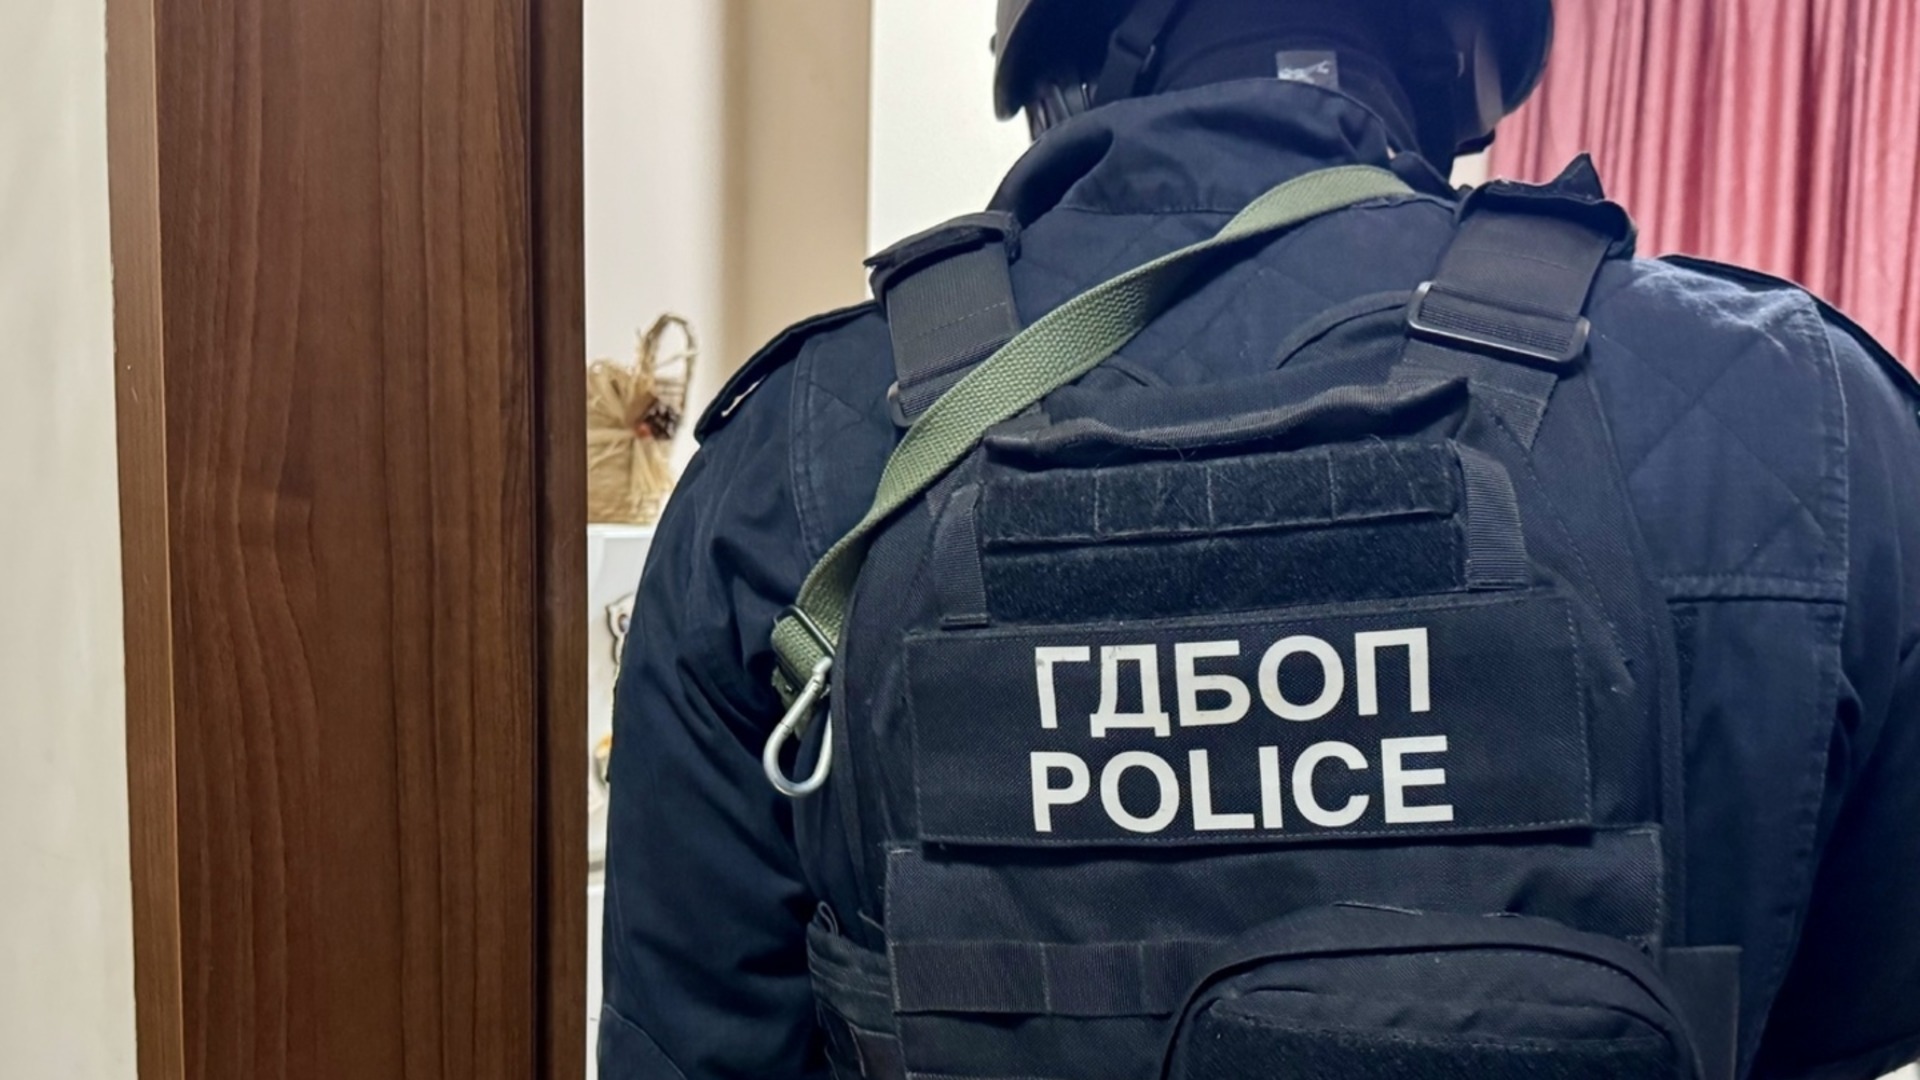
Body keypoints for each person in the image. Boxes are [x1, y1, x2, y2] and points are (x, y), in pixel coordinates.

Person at [599, 2, 1920, 1078]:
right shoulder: (1815, 418)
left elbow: (695, 1043)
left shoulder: (782, 472)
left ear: (1055, 52)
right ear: (1465, 51)